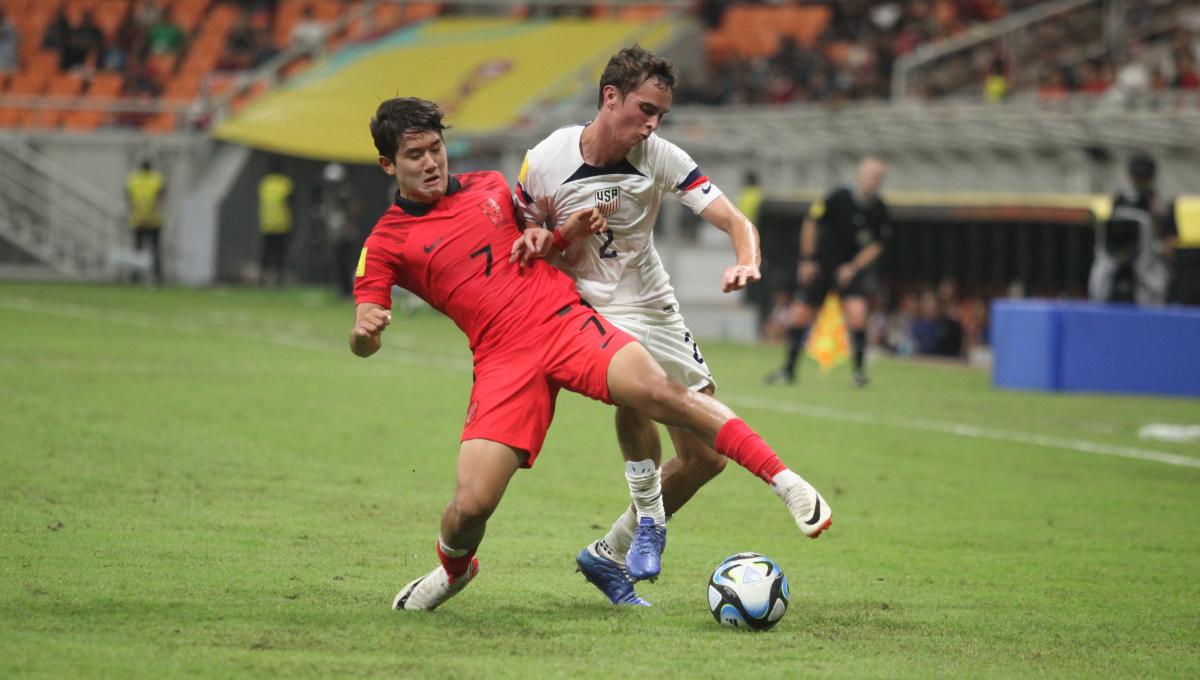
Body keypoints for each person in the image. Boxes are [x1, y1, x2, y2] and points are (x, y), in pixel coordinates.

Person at [352, 97, 832, 611]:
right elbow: (363, 334)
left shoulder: (491, 186)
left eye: (436, 149)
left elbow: (539, 242)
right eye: (415, 156)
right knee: (471, 507)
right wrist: (366, 330)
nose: (431, 163)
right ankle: (453, 571)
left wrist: (562, 232)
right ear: (388, 165)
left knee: (658, 393)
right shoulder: (385, 242)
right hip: (502, 360)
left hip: (563, 320)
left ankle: (785, 481)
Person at [511, 46, 814, 608]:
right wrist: (560, 235)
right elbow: (523, 243)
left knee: (706, 459)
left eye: (660, 115)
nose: (652, 124)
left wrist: (747, 257)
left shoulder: (659, 156)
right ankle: (651, 517)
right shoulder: (546, 160)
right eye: (645, 109)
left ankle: (607, 552)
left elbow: (733, 217)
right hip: (588, 310)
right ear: (610, 97)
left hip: (655, 303)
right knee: (637, 383)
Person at [766, 157, 890, 388]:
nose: (875, 181)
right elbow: (811, 222)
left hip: (849, 271)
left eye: (879, 177)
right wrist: (808, 259)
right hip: (822, 266)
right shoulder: (839, 197)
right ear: (861, 175)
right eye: (872, 175)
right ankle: (788, 370)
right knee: (801, 315)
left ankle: (859, 373)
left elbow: (876, 245)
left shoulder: (879, 208)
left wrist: (852, 267)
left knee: (858, 314)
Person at [1088, 151, 1177, 305]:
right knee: (1099, 277)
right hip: (1117, 255)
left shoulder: (1161, 204)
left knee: (1156, 284)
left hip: (1148, 258)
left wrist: (1161, 251)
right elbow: (1110, 229)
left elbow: (1170, 241)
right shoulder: (1120, 199)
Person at [316, 162, 361, 298]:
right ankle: (342, 289)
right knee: (338, 261)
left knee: (345, 262)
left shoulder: (344, 193)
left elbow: (355, 207)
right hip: (335, 232)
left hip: (344, 233)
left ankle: (347, 290)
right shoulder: (331, 194)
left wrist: (348, 225)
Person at [125, 159, 165, 285]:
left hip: (138, 220)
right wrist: (149, 216)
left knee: (138, 249)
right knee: (154, 250)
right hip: (153, 220)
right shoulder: (157, 179)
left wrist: (139, 216)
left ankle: (136, 277)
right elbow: (159, 200)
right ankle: (156, 278)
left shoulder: (133, 179)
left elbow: (131, 201)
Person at [258, 158, 294, 286]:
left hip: (267, 223)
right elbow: (291, 202)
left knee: (266, 253)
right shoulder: (285, 183)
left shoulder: (265, 183)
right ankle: (279, 279)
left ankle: (263, 278)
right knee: (280, 254)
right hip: (282, 223)